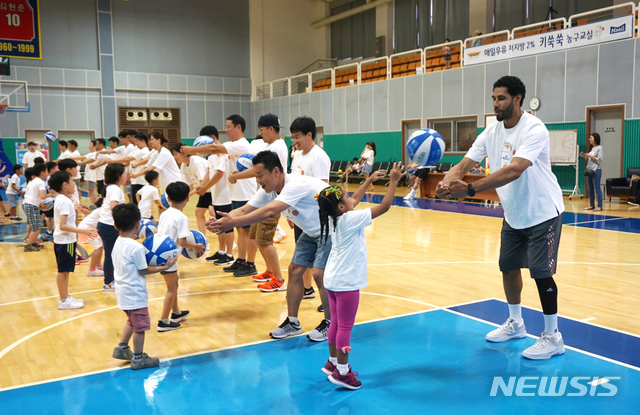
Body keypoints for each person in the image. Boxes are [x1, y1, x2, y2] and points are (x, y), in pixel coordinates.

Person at [436, 75, 565, 360]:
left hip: (542, 212)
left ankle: (553, 336)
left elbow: (513, 170)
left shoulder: (534, 129)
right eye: (493, 98)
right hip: (514, 214)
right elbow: (464, 164)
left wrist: (469, 189)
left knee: (541, 272)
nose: (495, 103)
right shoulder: (490, 132)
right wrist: (447, 183)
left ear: (518, 98)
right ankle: (516, 324)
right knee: (507, 267)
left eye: (501, 98)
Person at [208, 151, 333, 342]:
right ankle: (292, 322)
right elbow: (244, 209)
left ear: (276, 171)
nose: (258, 180)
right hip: (311, 231)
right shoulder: (269, 190)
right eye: (255, 176)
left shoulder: (295, 184)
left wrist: (233, 223)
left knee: (318, 274)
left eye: (260, 175)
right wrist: (221, 221)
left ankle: (330, 323)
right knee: (295, 270)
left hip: (332, 229)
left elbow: (270, 210)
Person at [318, 163, 403, 390]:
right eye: (346, 196)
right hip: (346, 282)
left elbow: (353, 200)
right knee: (345, 326)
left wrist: (368, 180)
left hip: (333, 279)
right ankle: (343, 373)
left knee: (335, 322)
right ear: (340, 206)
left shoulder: (332, 217)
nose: (350, 198)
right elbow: (384, 207)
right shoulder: (350, 219)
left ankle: (333, 362)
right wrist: (393, 181)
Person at [181, 115, 257, 276]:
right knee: (240, 230)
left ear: (238, 127)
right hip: (235, 195)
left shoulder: (242, 144)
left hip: (246, 194)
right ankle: (241, 260)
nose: (226, 130)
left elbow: (215, 149)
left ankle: (251, 263)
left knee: (248, 231)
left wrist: (191, 150)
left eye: (229, 126)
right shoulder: (230, 146)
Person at [111, 203, 177, 370]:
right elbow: (144, 269)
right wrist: (165, 267)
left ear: (115, 225)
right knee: (140, 326)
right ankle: (138, 358)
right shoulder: (136, 247)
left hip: (122, 291)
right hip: (135, 294)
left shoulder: (117, 242)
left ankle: (122, 348)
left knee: (131, 321)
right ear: (138, 224)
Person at [227, 113, 289, 289]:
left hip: (271, 200)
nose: (260, 134)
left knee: (264, 240)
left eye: (262, 130)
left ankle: (278, 279)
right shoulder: (271, 145)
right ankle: (270, 271)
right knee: (256, 237)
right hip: (261, 197)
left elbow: (258, 170)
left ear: (271, 129)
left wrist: (237, 176)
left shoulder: (277, 147)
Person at [289, 116, 331, 307]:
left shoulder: (319, 156)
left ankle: (329, 296)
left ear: (309, 135)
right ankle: (307, 288)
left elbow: (323, 190)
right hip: (301, 216)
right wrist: (292, 211)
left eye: (298, 137)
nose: (295, 141)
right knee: (303, 255)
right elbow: (293, 186)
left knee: (322, 262)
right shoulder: (297, 155)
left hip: (317, 218)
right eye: (292, 138)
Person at [156, 181, 205, 331]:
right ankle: (163, 321)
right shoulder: (181, 217)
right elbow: (182, 242)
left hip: (160, 252)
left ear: (168, 198)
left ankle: (176, 312)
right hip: (169, 257)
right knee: (171, 288)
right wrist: (196, 246)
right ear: (188, 199)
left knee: (175, 283)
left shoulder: (164, 213)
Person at [49, 170, 97, 309]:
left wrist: (77, 207)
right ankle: (64, 300)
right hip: (66, 241)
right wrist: (83, 231)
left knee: (65, 270)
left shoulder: (62, 199)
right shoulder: (65, 202)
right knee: (63, 271)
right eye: (71, 181)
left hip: (64, 241)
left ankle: (65, 297)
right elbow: (63, 225)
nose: (74, 184)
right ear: (64, 185)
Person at [194, 125, 235, 266]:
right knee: (219, 225)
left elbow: (219, 173)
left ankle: (229, 254)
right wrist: (201, 186)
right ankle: (222, 251)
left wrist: (205, 187)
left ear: (212, 138)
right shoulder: (211, 156)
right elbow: (209, 173)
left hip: (225, 196)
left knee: (227, 226)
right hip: (216, 196)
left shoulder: (222, 153)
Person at [97, 163, 127, 290]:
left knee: (112, 254)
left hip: (105, 225)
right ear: (118, 176)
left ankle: (113, 278)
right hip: (109, 226)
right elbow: (114, 207)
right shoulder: (115, 189)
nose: (126, 176)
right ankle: (108, 282)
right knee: (110, 254)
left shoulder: (111, 187)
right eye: (124, 173)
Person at [171, 142, 210, 236]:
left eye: (176, 154)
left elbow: (203, 183)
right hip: (204, 191)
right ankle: (203, 238)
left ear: (183, 153)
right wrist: (180, 196)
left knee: (213, 212)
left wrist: (186, 196)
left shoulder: (196, 162)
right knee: (199, 212)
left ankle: (227, 238)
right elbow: (189, 186)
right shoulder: (184, 166)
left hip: (211, 189)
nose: (175, 157)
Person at [22, 163, 48, 251]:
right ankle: (28, 246)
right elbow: (42, 195)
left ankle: (33, 243)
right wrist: (52, 194)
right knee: (36, 227)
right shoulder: (40, 182)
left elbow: (34, 194)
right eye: (46, 171)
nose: (47, 173)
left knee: (37, 225)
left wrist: (40, 202)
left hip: (29, 204)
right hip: (31, 205)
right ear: (42, 172)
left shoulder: (33, 181)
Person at [78, 198, 104, 277]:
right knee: (98, 246)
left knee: (100, 245)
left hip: (90, 227)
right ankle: (91, 270)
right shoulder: (102, 211)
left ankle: (98, 264)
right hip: (86, 228)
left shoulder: (102, 210)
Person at [580, 133, 604, 211]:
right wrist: (585, 156)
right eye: (589, 138)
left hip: (596, 170)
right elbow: (589, 160)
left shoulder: (599, 148)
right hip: (589, 170)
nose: (590, 139)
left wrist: (589, 156)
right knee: (590, 189)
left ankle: (599, 205)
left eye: (591, 138)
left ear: (595, 139)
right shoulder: (591, 148)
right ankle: (591, 205)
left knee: (597, 188)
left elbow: (599, 159)